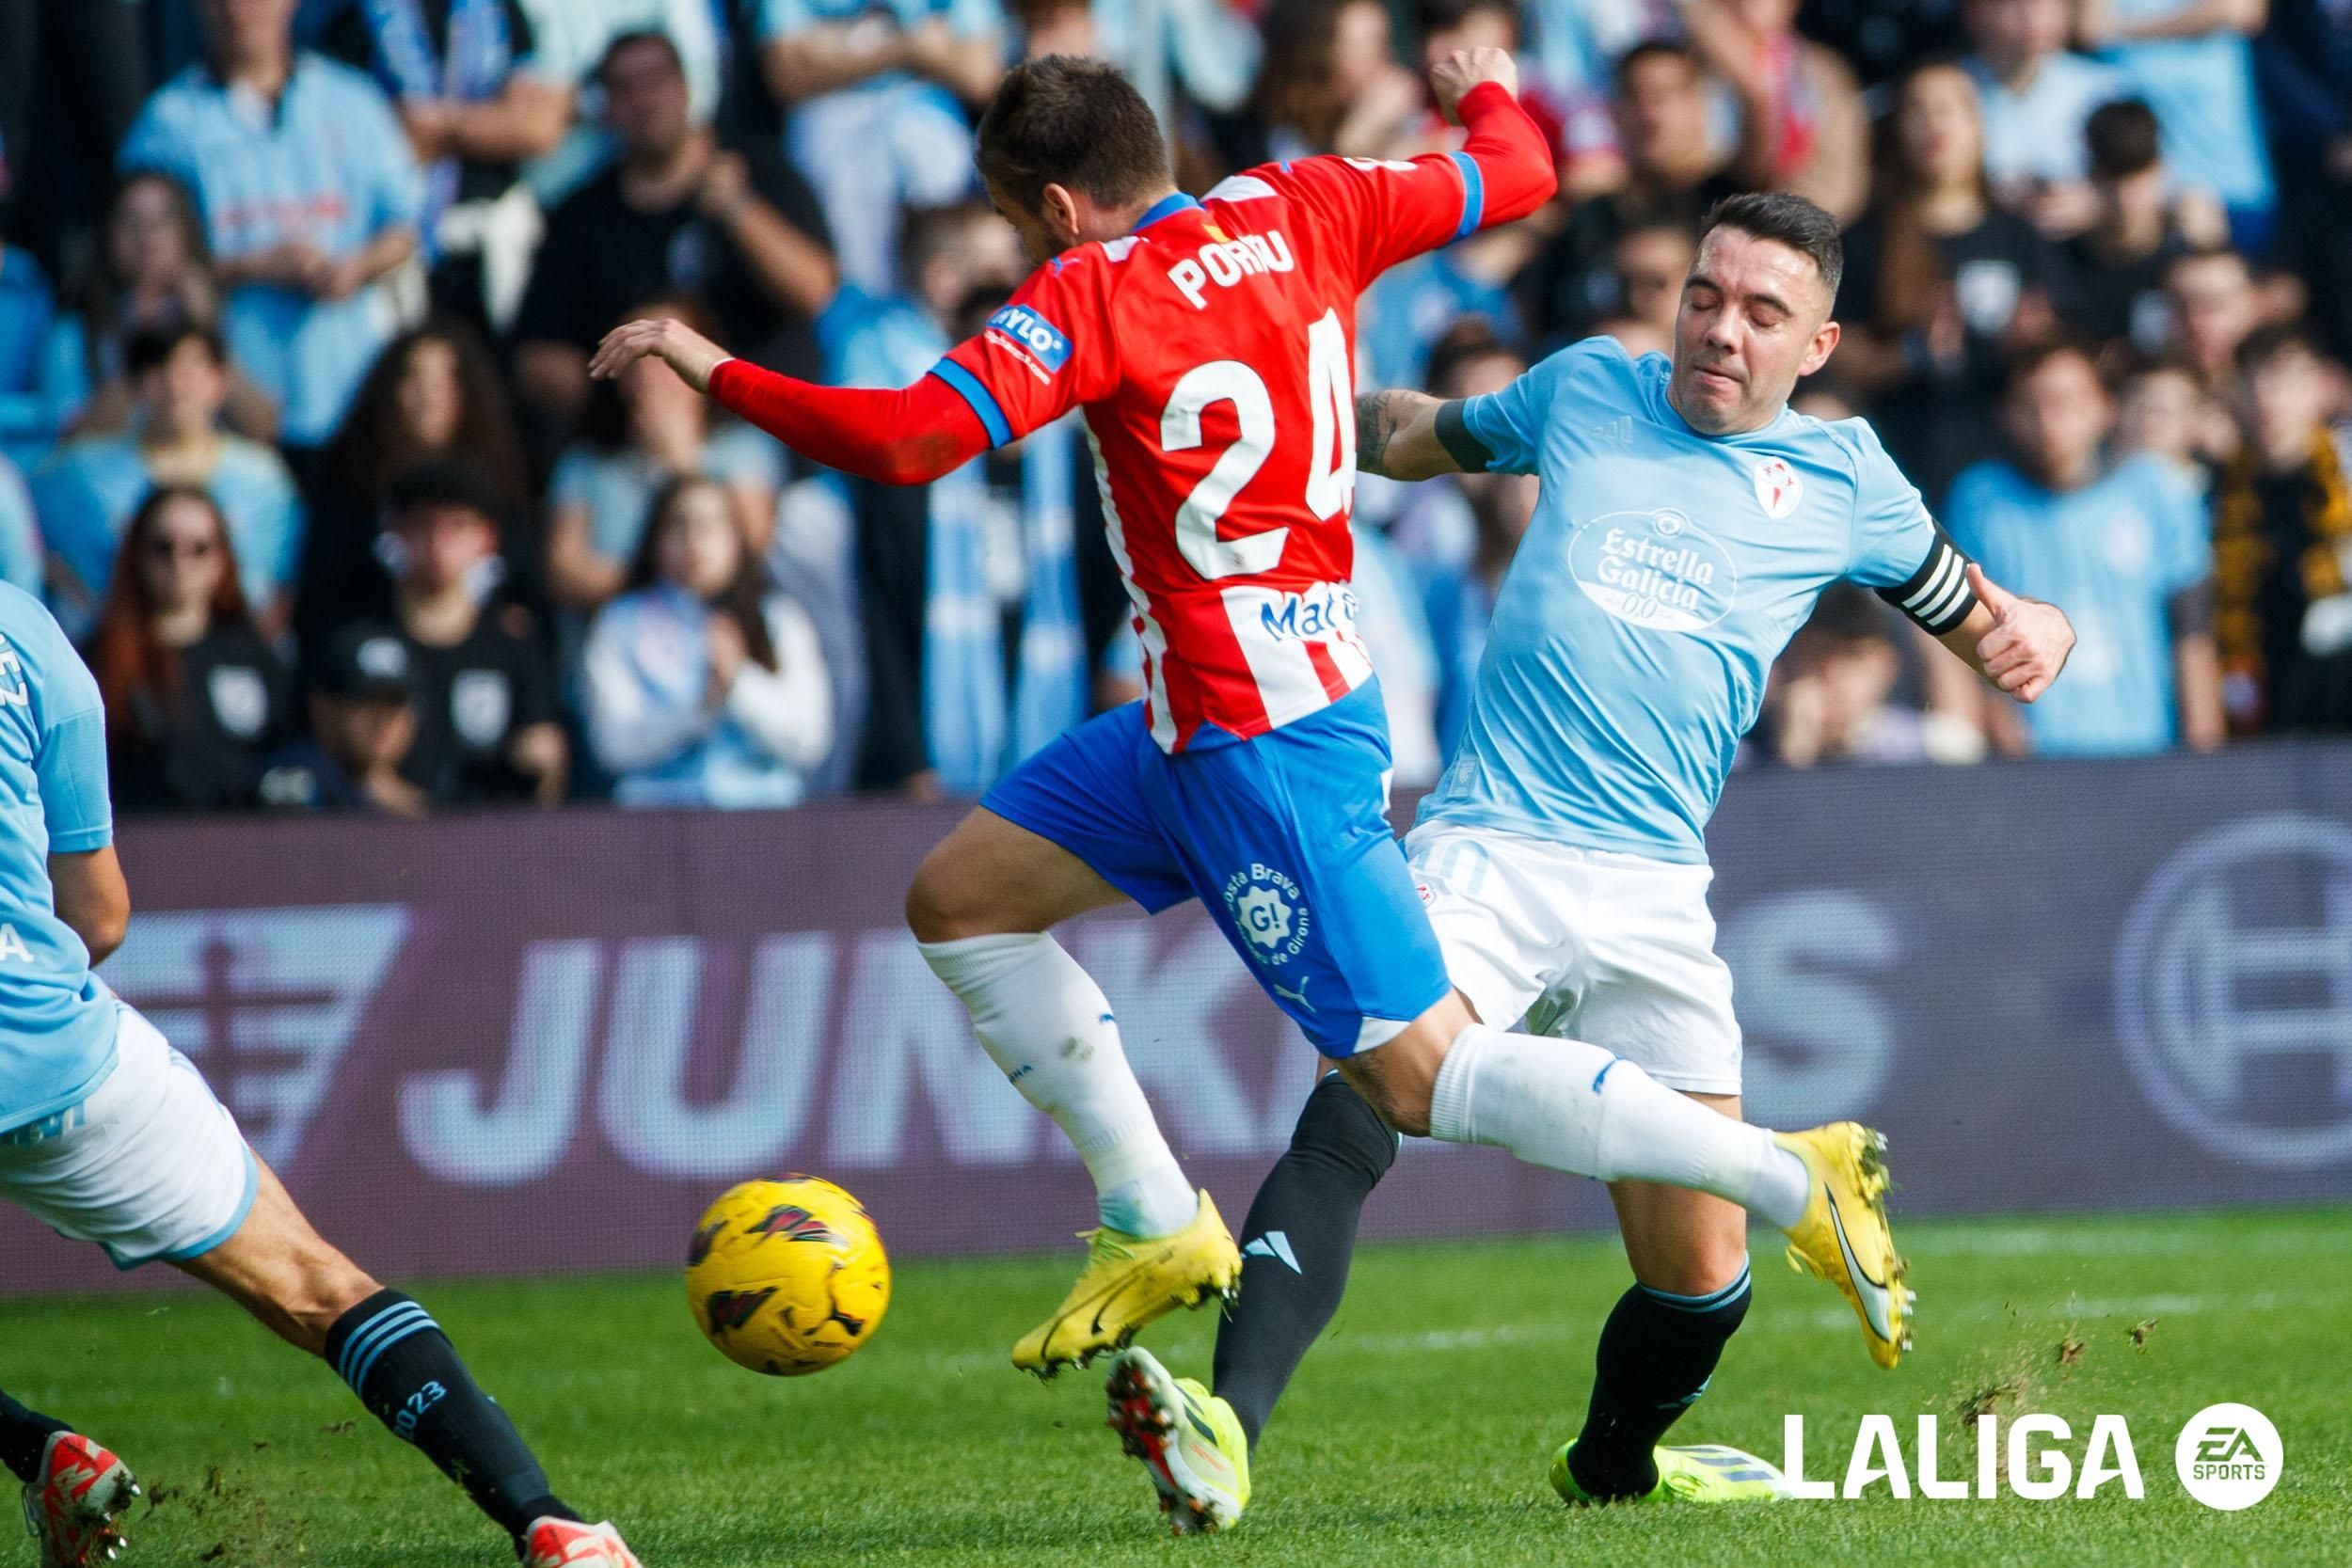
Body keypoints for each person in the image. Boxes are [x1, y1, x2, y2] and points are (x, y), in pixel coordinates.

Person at [594, 56, 1914, 1459]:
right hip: (1183, 712)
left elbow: (916, 435)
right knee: (961, 900)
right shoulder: (1306, 203)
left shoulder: (1089, 293)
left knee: (1416, 1081)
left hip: (1261, 738)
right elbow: (1517, 172)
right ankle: (1157, 1217)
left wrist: (712, 362)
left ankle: (1786, 1169)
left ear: (1055, 205)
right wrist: (1483, 94)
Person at [1125, 192, 2077, 1530]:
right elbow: (1411, 435)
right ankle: (1223, 1428)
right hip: (1490, 847)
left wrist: (2042, 628)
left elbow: (1983, 620)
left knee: (1703, 1276)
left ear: (1819, 343)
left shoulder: (1847, 480)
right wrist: (1286, 390)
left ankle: (1614, 1462)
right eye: (1707, 293)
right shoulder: (1586, 386)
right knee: (1363, 1098)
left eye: (1761, 312)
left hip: (1654, 891)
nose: (1720, 328)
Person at [0, 581, 641, 1568]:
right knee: (316, 1280)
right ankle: (549, 1522)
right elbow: (100, 915)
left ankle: (37, 1446)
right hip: (61, 1049)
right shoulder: (31, 635)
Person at [118, 0, 424, 465]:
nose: (240, 11)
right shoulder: (168, 123)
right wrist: (256, 266)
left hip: (351, 390)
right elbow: (138, 262)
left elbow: (407, 226)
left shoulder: (352, 101)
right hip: (229, 401)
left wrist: (356, 266)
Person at [513, 28, 837, 429]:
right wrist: (632, 399)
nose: (644, 100)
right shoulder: (581, 217)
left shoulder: (759, 170)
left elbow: (816, 291)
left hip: (768, 430)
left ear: (686, 87)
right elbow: (536, 359)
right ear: (608, 106)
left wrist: (739, 209)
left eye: (654, 82)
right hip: (633, 447)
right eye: (625, 88)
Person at [1945, 339, 2221, 755]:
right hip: (2032, 763)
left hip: (2148, 752)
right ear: (2006, 415)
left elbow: (2192, 632)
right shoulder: (1978, 499)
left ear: (2104, 408)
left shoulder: (2157, 490)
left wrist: (2204, 754)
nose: (2048, 419)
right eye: (2030, 404)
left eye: (2065, 402)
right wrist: (2005, 746)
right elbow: (1962, 638)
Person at [1837, 61, 2058, 505]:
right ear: (1897, 130)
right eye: (1918, 110)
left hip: (2008, 461)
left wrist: (2033, 343)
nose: (1934, 123)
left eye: (1949, 108)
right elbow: (1832, 352)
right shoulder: (1866, 237)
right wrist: (1909, 353)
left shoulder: (2020, 235)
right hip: (1899, 449)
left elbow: (2061, 339)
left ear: (1979, 127)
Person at [33, 324, 305, 636]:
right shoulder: (80, 472)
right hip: (113, 651)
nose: (175, 385)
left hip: (232, 648)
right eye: (159, 370)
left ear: (220, 380)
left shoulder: (263, 477)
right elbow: (30, 540)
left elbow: (285, 579)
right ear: (132, 384)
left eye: (191, 370)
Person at [580, 474, 834, 805]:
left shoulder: (778, 618)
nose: (695, 541)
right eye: (679, 525)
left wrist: (738, 683)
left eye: (712, 525)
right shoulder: (621, 622)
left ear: (737, 537)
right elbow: (614, 748)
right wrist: (700, 708)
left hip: (765, 820)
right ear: (654, 537)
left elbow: (809, 742)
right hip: (654, 822)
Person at [301, 318, 534, 654]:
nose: (428, 397)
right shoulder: (350, 484)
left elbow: (525, 598)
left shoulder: (500, 486)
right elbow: (323, 598)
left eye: (445, 382)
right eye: (414, 379)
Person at [754, 0, 1007, 297]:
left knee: (967, 266)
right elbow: (787, 72)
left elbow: (979, 73)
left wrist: (851, 43)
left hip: (933, 141)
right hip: (834, 146)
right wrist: (911, 46)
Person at [547, 299, 783, 616]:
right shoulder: (586, 463)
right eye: (632, 356)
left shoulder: (743, 449)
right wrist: (658, 586)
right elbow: (563, 575)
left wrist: (679, 462)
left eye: (663, 356)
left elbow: (751, 553)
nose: (647, 375)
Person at [1517, 42, 1745, 352]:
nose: (1650, 113)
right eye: (1634, 97)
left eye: (1665, 96)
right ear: (1614, 112)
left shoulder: (1738, 209)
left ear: (1699, 105)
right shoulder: (1588, 218)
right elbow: (1546, 317)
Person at [87, 487, 293, 815]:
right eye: (162, 548)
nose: (179, 563)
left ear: (221, 562)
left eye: (199, 549)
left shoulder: (255, 658)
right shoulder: (94, 660)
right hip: (136, 843)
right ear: (136, 556)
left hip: (244, 845)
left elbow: (287, 753)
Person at [40, 171, 278, 443]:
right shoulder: (73, 332)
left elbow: (262, 428)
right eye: (131, 221)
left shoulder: (226, 315)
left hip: (205, 476)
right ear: (107, 233)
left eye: (163, 221)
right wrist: (138, 343)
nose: (148, 236)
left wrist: (209, 331)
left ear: (186, 232)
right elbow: (71, 444)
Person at [380, 460, 567, 805]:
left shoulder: (513, 641)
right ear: (396, 531)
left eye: (457, 527)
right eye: (424, 526)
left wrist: (537, 767)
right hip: (384, 835)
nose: (439, 545)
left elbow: (545, 751)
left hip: (490, 836)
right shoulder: (367, 641)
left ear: (487, 537)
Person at [2211, 325, 2352, 733]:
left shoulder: (2343, 472)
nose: (2266, 398)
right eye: (2253, 380)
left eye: (2285, 381)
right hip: (2260, 718)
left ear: (2321, 387)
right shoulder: (2215, 491)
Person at [2053, 98, 2226, 352]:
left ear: (2162, 171)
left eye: (2138, 178)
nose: (2125, 198)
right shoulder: (2061, 257)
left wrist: (2212, 250)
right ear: (2089, 177)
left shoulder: (2189, 250)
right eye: (2112, 180)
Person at [1959, 0, 2127, 214]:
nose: (2032, 14)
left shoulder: (2105, 90)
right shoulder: (1947, 89)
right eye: (2014, 4)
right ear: (1974, 12)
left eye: (2047, 2)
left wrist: (2097, 203)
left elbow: (2144, 185)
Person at [257, 623, 432, 816]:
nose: (382, 720)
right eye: (366, 701)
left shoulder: (432, 788)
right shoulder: (294, 775)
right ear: (323, 707)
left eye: (393, 704)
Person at [1761, 583, 1936, 766]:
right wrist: (1792, 755)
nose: (1833, 674)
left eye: (1853, 656)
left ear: (1888, 668)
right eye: (1817, 653)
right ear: (1789, 660)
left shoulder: (1933, 750)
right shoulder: (1736, 752)